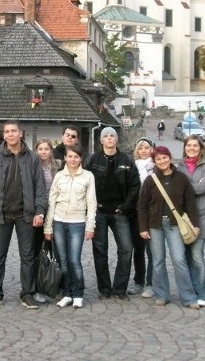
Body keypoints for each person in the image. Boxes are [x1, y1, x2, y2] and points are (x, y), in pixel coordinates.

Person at [0, 120, 47, 309]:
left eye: (13, 131)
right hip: (2, 215)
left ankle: (27, 293)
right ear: (4, 135)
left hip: (25, 215)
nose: (10, 134)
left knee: (27, 256)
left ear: (21, 133)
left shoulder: (32, 158)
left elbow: (39, 187)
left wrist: (39, 211)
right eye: (7, 132)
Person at [138, 145, 201, 310]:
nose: (162, 161)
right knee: (158, 261)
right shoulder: (150, 181)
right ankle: (161, 294)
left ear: (170, 158)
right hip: (155, 225)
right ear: (154, 162)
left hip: (174, 224)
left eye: (164, 157)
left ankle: (188, 297)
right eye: (158, 159)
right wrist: (143, 228)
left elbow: (190, 203)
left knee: (179, 260)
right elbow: (142, 205)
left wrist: (195, 224)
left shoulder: (181, 178)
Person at [84, 127, 140, 300]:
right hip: (99, 212)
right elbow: (85, 184)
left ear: (116, 140)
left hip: (119, 212)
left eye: (112, 136)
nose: (109, 138)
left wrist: (125, 207)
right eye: (106, 136)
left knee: (126, 249)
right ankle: (104, 289)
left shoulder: (126, 160)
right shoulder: (93, 160)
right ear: (101, 141)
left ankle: (120, 288)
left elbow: (135, 186)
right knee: (100, 251)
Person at [44, 145, 96, 308]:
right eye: (70, 156)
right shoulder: (59, 176)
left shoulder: (88, 176)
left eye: (76, 157)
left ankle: (78, 293)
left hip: (77, 223)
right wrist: (48, 227)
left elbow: (91, 203)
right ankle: (67, 293)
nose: (73, 159)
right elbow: (52, 201)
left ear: (81, 159)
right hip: (59, 221)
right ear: (65, 158)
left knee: (75, 261)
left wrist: (90, 226)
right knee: (63, 262)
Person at [177, 135, 205, 307]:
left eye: (195, 145)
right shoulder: (180, 166)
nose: (192, 148)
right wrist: (192, 185)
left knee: (197, 256)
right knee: (183, 257)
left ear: (200, 148)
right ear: (184, 148)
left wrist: (186, 186)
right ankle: (189, 292)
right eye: (188, 145)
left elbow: (204, 187)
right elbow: (177, 189)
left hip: (201, 216)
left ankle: (202, 294)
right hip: (183, 218)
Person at [33, 138, 61, 302]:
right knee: (38, 251)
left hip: (55, 211)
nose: (43, 151)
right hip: (37, 210)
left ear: (51, 150)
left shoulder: (58, 166)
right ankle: (38, 286)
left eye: (46, 148)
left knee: (56, 250)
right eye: (40, 149)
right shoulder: (32, 166)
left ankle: (57, 284)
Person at [129, 136, 156, 298]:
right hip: (135, 212)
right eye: (141, 148)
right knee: (138, 248)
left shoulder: (156, 166)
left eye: (146, 148)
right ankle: (138, 281)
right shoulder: (132, 166)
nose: (144, 151)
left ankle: (151, 283)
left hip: (151, 212)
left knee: (152, 250)